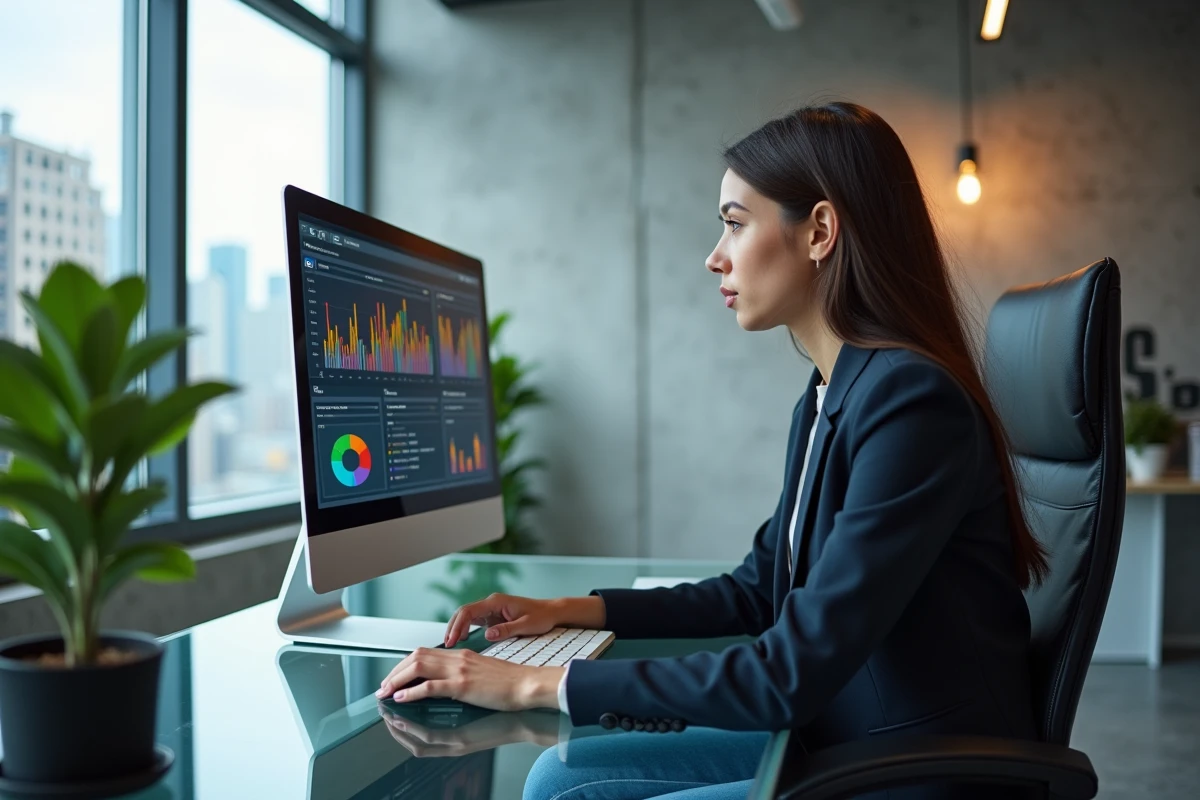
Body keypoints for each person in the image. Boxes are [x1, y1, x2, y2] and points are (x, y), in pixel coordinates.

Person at [376, 101, 1048, 800]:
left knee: (571, 794)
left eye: (734, 223)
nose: (714, 256)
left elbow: (788, 674)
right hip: (839, 725)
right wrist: (570, 610)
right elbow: (758, 591)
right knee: (559, 773)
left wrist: (533, 684)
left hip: (910, 766)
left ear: (819, 231)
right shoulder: (831, 393)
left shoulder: (911, 406)